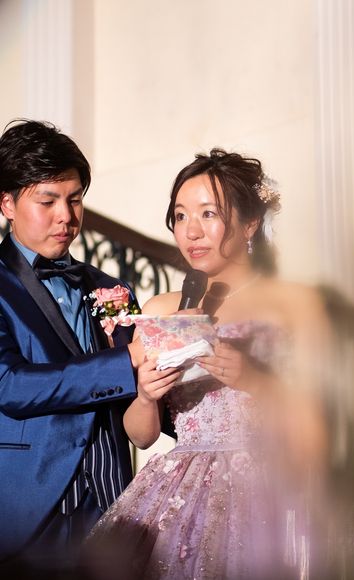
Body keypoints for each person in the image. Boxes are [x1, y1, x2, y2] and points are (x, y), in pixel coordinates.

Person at [84, 148, 334, 579]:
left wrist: (255, 379)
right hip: (182, 493)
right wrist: (146, 396)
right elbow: (141, 436)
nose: (191, 231)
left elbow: (325, 423)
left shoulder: (296, 303)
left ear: (250, 222)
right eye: (181, 216)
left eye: (208, 213)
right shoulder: (163, 309)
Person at [0, 119, 177, 578]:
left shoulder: (112, 289)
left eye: (75, 199)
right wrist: (126, 360)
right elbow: (10, 385)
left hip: (113, 503)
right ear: (7, 203)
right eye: (48, 201)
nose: (66, 215)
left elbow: (143, 394)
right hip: (29, 513)